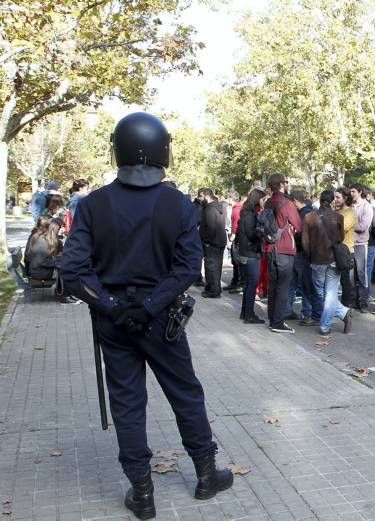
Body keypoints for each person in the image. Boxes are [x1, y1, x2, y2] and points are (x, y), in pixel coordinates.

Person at [60, 112, 232, 518]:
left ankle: (142, 492)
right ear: (160, 150)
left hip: (115, 319)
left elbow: (73, 272)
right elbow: (188, 266)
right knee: (185, 393)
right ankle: (206, 475)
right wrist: (150, 306)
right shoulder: (176, 202)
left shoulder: (93, 204)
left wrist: (115, 307)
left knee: (127, 403)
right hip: (162, 318)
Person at [303, 190, 354, 336]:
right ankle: (342, 313)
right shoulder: (338, 217)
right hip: (333, 260)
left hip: (317, 261)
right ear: (332, 201)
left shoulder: (309, 217)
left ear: (319, 200)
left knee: (321, 292)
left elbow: (306, 243)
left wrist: (311, 257)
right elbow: (341, 238)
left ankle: (326, 325)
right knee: (330, 294)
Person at [263, 173, 302, 333]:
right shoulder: (287, 203)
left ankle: (272, 318)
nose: (288, 184)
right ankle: (277, 322)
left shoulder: (268, 203)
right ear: (281, 184)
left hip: (269, 247)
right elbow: (298, 226)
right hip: (284, 248)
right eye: (286, 182)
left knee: (273, 285)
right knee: (283, 286)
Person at [287, 189, 319, 324]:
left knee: (303, 283)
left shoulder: (305, 214)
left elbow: (303, 235)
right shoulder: (308, 212)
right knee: (295, 282)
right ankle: (290, 310)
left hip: (302, 252)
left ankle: (307, 312)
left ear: (294, 201)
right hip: (300, 252)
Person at [237, 189, 267, 324]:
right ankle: (249, 314)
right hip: (250, 253)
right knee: (251, 284)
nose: (264, 201)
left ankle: (245, 312)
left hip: (247, 252)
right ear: (257, 199)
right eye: (263, 199)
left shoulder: (247, 213)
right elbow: (251, 234)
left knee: (249, 284)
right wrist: (262, 231)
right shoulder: (249, 215)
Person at [349, 184, 374, 312]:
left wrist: (348, 223)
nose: (351, 194)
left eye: (353, 191)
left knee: (361, 274)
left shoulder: (367, 207)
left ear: (359, 192)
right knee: (351, 275)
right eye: (350, 191)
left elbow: (363, 226)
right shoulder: (350, 206)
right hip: (350, 244)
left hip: (361, 244)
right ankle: (353, 301)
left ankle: (363, 302)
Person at [198, 188, 227, 298]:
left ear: (206, 196)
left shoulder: (209, 209)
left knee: (211, 267)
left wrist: (206, 241)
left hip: (212, 242)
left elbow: (211, 227)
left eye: (200, 196)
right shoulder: (220, 207)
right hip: (220, 240)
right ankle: (215, 288)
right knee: (217, 267)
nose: (199, 199)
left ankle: (213, 290)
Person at [335, 187, 356, 307]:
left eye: (338, 197)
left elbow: (341, 229)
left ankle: (346, 308)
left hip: (346, 251)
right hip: (334, 250)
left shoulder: (350, 212)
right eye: (335, 197)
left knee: (346, 282)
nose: (335, 200)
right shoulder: (335, 211)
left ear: (345, 198)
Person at [225, 192, 245, 293]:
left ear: (230, 198)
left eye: (227, 198)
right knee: (235, 262)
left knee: (237, 262)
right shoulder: (237, 208)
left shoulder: (237, 209)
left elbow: (236, 227)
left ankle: (239, 283)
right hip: (237, 238)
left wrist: (231, 240)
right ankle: (235, 281)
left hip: (237, 239)